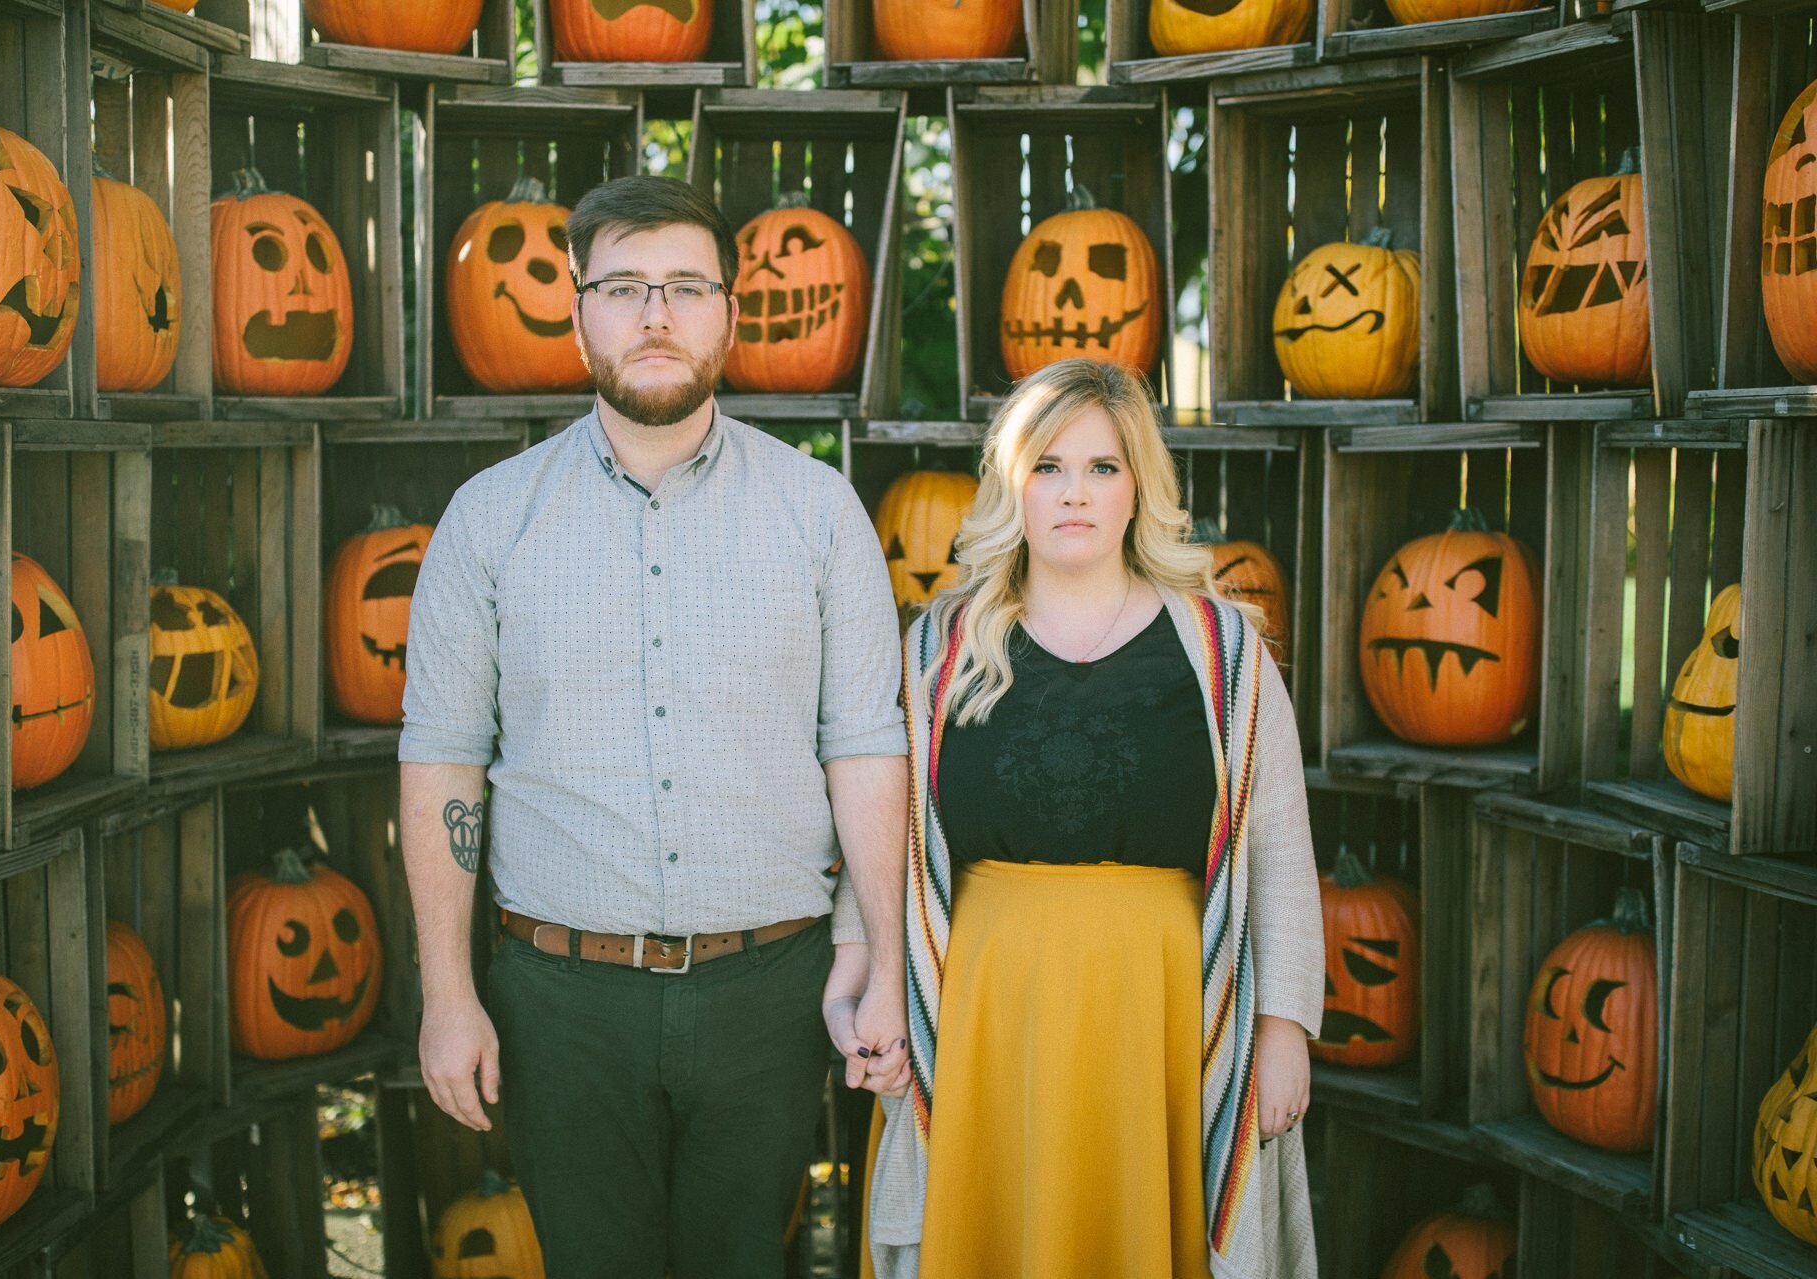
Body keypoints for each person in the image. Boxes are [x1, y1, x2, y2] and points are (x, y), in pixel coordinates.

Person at [397, 174, 910, 1279]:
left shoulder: (820, 515)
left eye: (686, 285)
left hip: (771, 991)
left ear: (730, 310)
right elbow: (443, 760)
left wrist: (891, 963)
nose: (657, 314)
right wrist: (448, 995)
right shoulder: (490, 518)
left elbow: (865, 748)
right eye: (624, 287)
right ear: (577, 311)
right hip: (560, 998)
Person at [864, 358, 1326, 1279]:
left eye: (1103, 467)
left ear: (1138, 489)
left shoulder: (1222, 649)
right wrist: (877, 987)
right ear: (1012, 488)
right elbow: (884, 847)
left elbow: (1277, 845)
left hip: (1164, 1012)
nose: (1075, 493)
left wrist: (1281, 1029)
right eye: (1049, 467)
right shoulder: (940, 649)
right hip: (986, 1015)